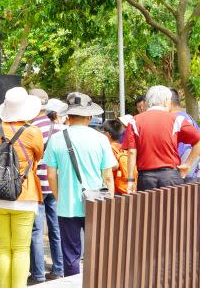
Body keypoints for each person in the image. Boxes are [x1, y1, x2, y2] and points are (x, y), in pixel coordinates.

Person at [45, 93, 116, 277]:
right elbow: (108, 176)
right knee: (98, 250)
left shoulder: (56, 139)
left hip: (67, 205)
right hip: (97, 203)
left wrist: (59, 197)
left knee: (71, 254)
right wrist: (111, 200)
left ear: (68, 116)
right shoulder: (101, 139)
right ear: (89, 116)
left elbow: (51, 175)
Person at [0, 87, 43, 288]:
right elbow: (38, 156)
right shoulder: (33, 132)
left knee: (3, 247)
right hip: (24, 193)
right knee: (20, 249)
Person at [122, 86, 200, 193]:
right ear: (167, 101)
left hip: (146, 178)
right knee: (173, 209)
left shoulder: (134, 121)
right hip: (170, 177)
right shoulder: (177, 119)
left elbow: (131, 152)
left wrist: (130, 179)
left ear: (148, 101)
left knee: (149, 209)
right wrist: (187, 164)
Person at [27, 90, 64, 284]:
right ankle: (59, 268)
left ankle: (38, 273)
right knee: (56, 228)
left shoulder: (30, 128)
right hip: (56, 184)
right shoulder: (59, 127)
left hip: (38, 186)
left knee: (36, 231)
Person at [170, 88, 200, 183]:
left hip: (181, 170)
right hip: (192, 171)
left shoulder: (174, 119)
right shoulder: (187, 117)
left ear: (169, 102)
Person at [101, 119, 134, 195]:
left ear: (107, 134)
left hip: (115, 188)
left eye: (102, 132)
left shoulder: (109, 149)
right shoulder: (123, 147)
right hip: (125, 186)